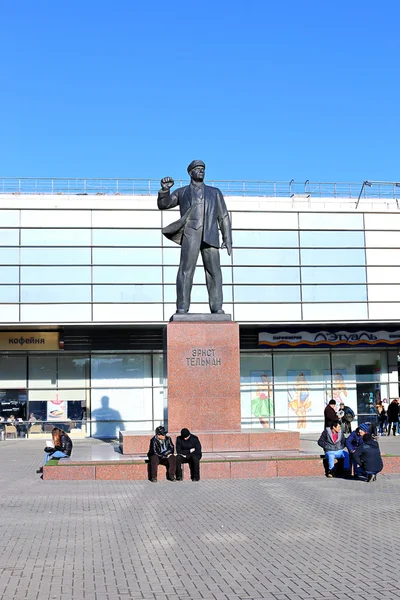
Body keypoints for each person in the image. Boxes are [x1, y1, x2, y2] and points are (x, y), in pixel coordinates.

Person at [157, 160, 232, 314]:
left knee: (214, 272)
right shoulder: (182, 192)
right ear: (190, 173)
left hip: (210, 235)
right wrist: (164, 191)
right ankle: (182, 307)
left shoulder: (215, 192)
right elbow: (164, 204)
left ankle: (217, 307)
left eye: (203, 169)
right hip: (190, 234)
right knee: (185, 271)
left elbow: (223, 216)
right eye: (198, 169)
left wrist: (227, 238)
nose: (201, 171)